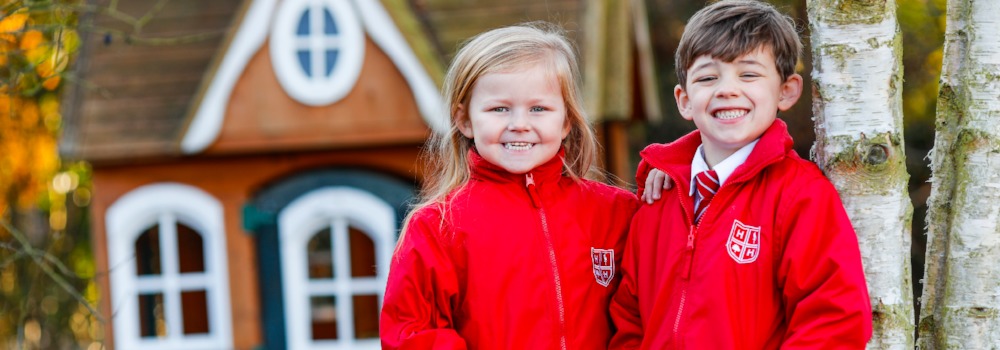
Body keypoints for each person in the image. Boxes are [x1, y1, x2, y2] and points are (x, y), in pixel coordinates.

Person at [610, 0, 872, 348]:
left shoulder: (800, 195)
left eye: (748, 74)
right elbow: (630, 318)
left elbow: (833, 318)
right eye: (707, 77)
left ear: (786, 90)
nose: (727, 89)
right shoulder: (657, 201)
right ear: (684, 99)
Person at [380, 23, 639, 350]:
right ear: (465, 120)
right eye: (499, 108)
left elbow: (648, 314)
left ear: (566, 121)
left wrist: (667, 168)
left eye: (539, 109)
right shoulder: (436, 227)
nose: (519, 124)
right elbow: (413, 333)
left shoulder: (617, 212)